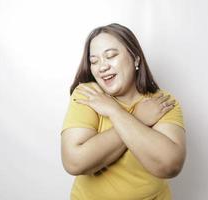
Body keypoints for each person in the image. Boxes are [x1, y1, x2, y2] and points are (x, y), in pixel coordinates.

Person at [60, 23, 186, 200]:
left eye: (110, 56)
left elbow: (169, 165)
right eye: (94, 61)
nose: (101, 67)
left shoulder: (161, 102)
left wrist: (115, 113)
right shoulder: (89, 95)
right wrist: (138, 118)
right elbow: (74, 162)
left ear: (135, 58)